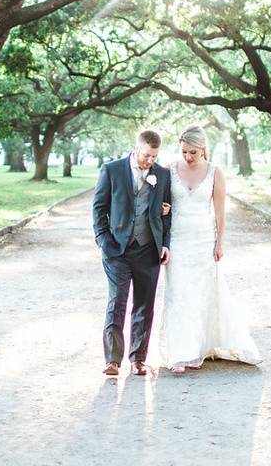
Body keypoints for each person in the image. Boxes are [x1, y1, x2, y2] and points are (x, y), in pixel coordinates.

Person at [159, 125, 262, 373]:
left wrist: (219, 243)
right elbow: (160, 203)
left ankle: (198, 348)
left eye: (192, 152)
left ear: (203, 149)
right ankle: (180, 352)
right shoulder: (169, 169)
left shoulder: (215, 172)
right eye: (184, 151)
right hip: (178, 240)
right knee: (179, 294)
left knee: (202, 295)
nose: (187, 157)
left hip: (203, 241)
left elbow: (219, 213)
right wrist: (161, 211)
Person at [92, 129, 172, 377]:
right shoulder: (112, 169)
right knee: (117, 301)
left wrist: (165, 243)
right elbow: (99, 208)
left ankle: (138, 358)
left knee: (144, 305)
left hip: (149, 249)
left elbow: (168, 213)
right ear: (137, 148)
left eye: (154, 156)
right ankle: (112, 360)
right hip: (117, 249)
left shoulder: (162, 175)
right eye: (147, 155)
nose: (150, 161)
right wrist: (103, 240)